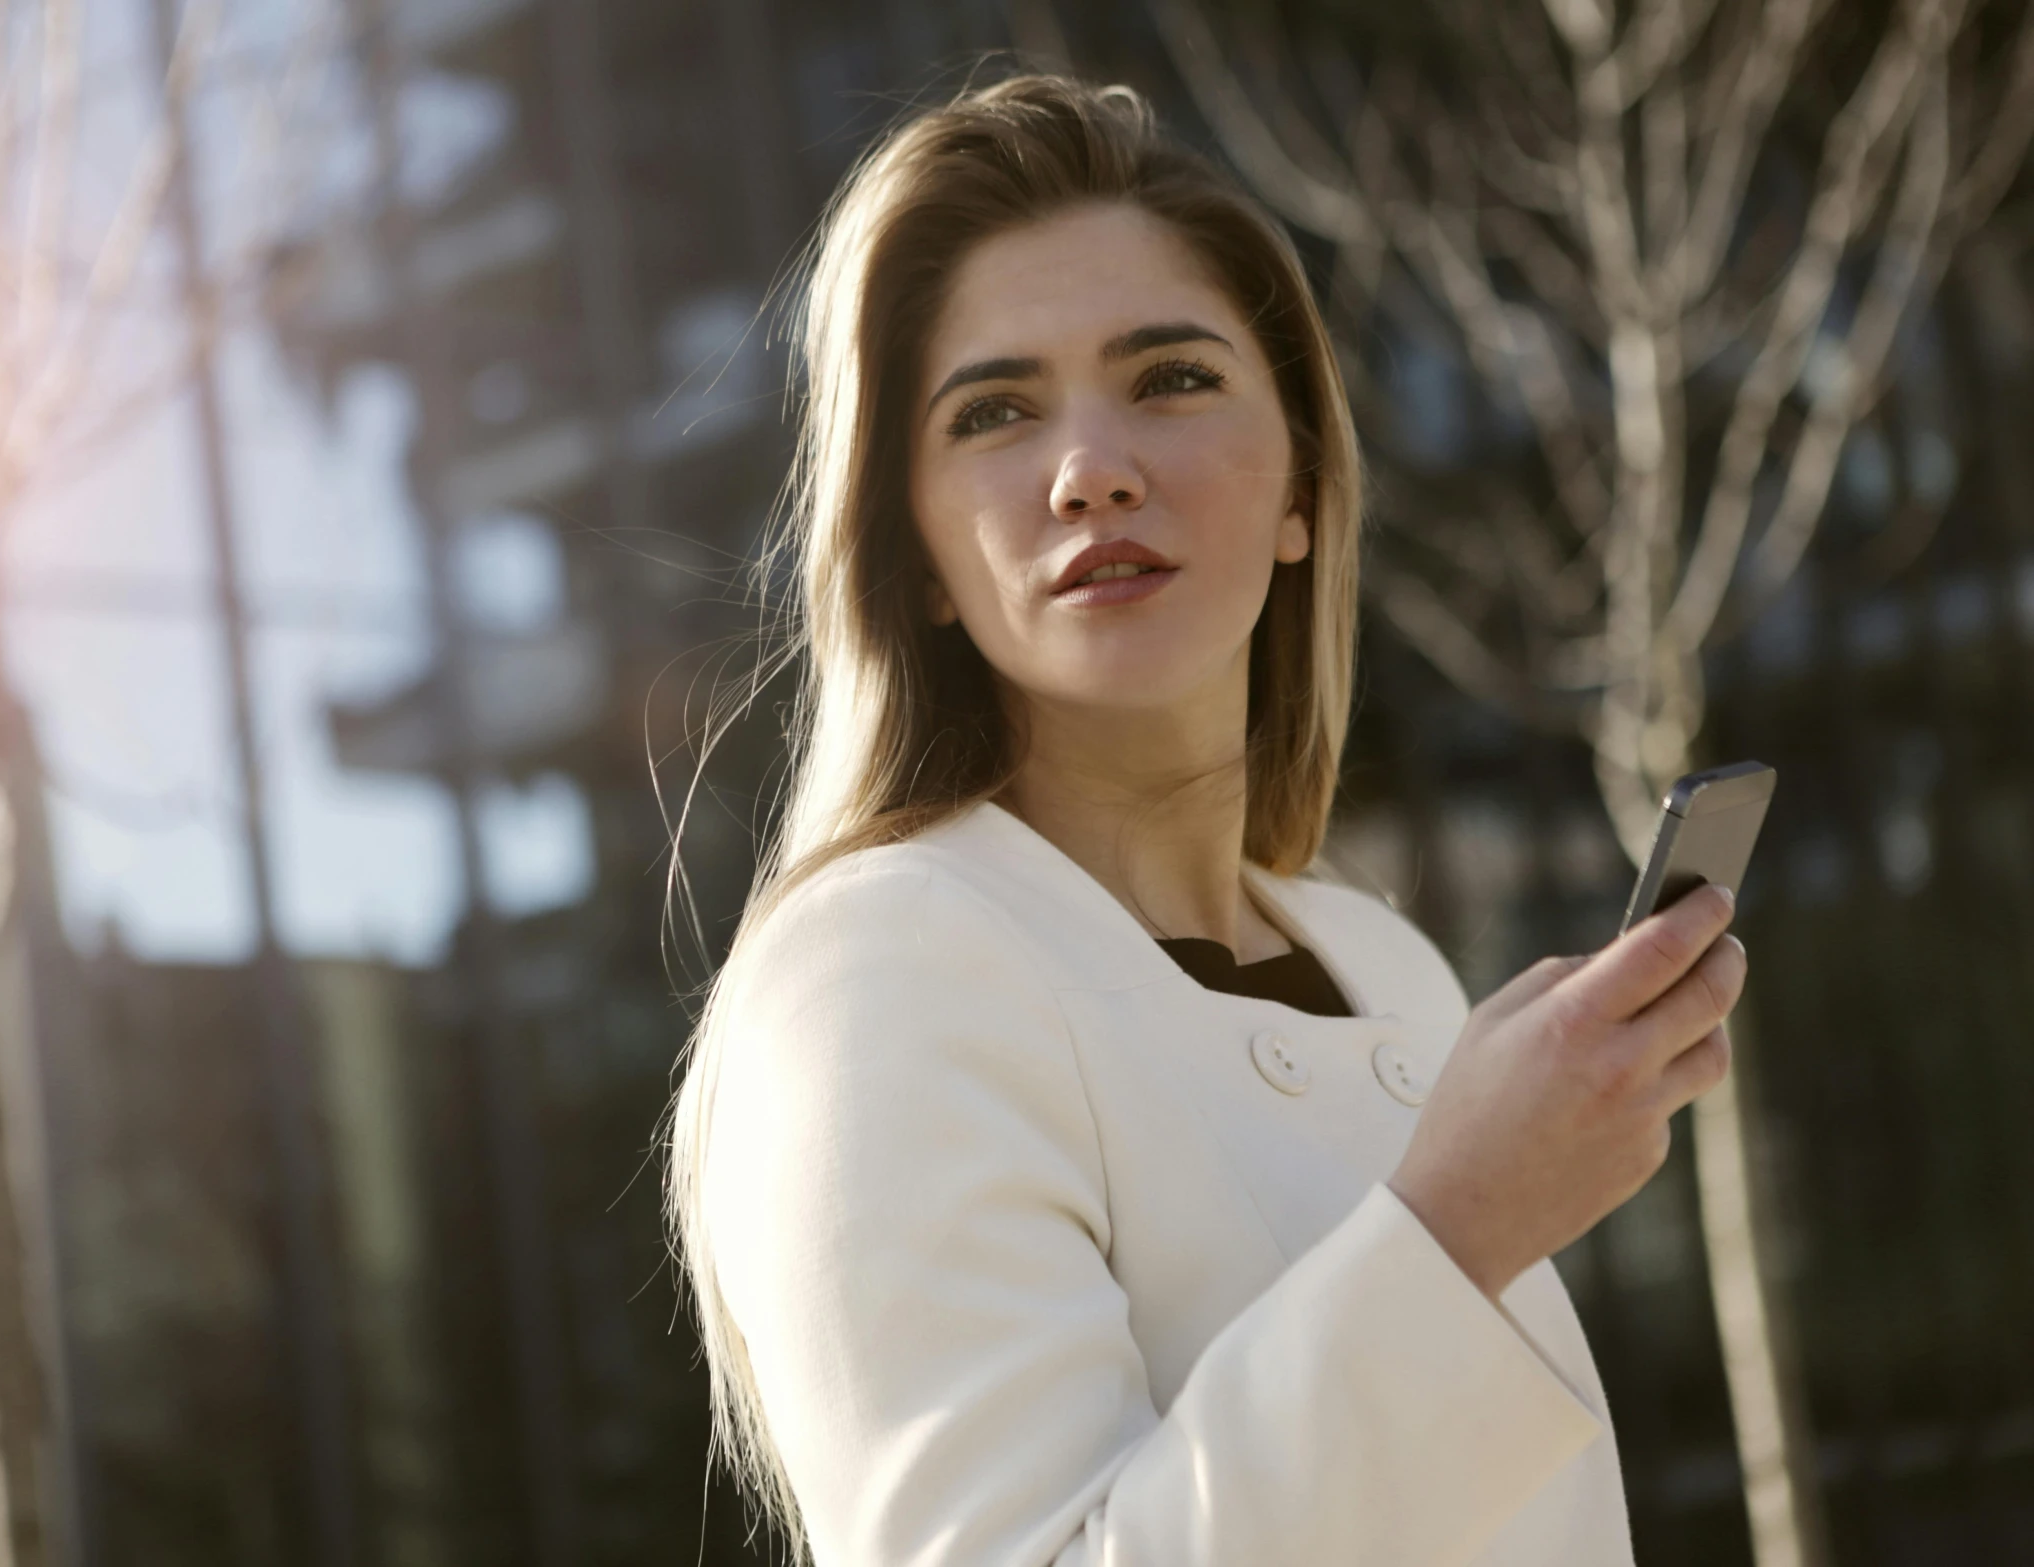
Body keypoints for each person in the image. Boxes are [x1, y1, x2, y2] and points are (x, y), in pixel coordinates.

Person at [665, 72, 1744, 1566]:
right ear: (910, 550)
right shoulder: (875, 972)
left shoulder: (1386, 963)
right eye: (992, 411)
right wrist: (1457, 1226)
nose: (1089, 467)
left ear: (1301, 479)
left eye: (1169, 378)